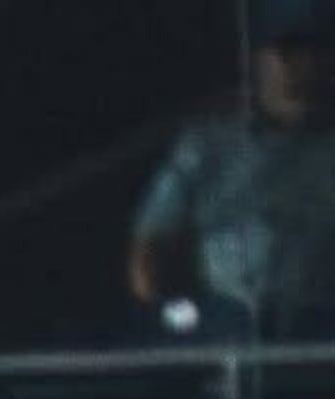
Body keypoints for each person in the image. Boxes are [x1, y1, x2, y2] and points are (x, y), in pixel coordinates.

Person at [128, 0, 335, 335]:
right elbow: (150, 243)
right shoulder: (207, 146)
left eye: (315, 53)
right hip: (224, 322)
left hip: (318, 331)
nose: (300, 67)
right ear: (257, 59)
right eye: (286, 52)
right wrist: (171, 319)